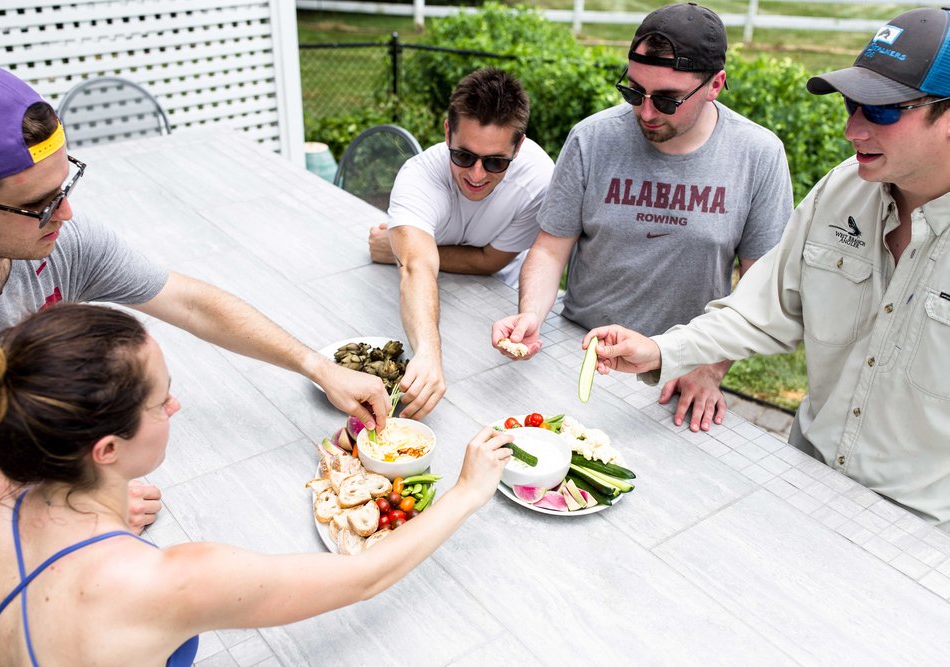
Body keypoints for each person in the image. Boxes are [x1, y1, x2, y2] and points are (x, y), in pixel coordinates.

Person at [0, 61, 390, 663]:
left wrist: (317, 365)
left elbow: (190, 301)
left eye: (66, 186)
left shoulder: (49, 240)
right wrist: (67, 515)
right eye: (38, 205)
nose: (67, 215)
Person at [0, 303, 512, 666]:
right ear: (105, 449)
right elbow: (365, 576)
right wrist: (466, 491)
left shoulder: (2, 494)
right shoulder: (166, 580)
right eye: (160, 400)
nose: (176, 404)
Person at [583, 6, 950, 533]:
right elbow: (763, 307)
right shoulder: (842, 190)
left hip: (922, 526)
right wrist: (661, 350)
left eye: (882, 111)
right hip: (806, 473)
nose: (851, 128)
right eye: (851, 103)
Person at [491, 2, 793, 432]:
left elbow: (760, 288)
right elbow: (549, 249)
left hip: (679, 373)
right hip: (582, 348)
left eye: (668, 99)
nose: (646, 113)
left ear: (716, 85)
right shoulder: (592, 139)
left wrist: (709, 367)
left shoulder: (758, 155)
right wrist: (530, 317)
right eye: (634, 92)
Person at [368, 67, 554, 420]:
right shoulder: (418, 176)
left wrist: (394, 249)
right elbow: (417, 267)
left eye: (496, 161)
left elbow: (489, 261)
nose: (477, 174)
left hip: (502, 304)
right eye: (463, 156)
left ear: (520, 146)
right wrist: (428, 352)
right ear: (447, 132)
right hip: (434, 301)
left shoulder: (539, 181)